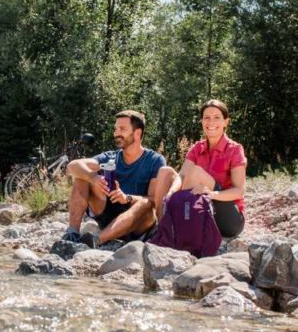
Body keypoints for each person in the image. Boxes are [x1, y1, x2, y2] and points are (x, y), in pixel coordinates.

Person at [62, 110, 179, 248]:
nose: (116, 133)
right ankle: (72, 234)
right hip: (108, 213)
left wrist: (127, 198)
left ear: (137, 133)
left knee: (146, 203)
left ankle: (97, 240)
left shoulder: (154, 160)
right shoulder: (110, 157)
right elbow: (72, 166)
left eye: (122, 129)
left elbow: (154, 200)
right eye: (116, 129)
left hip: (138, 223)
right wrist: (93, 177)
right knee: (82, 176)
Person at [178, 99, 247, 238]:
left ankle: (183, 223)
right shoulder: (197, 148)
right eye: (206, 118)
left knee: (197, 172)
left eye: (217, 117)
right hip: (203, 212)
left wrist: (211, 194)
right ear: (202, 121)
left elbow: (239, 191)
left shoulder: (234, 149)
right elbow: (182, 177)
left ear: (226, 122)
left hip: (229, 220)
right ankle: (177, 223)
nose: (211, 122)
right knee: (169, 175)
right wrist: (170, 194)